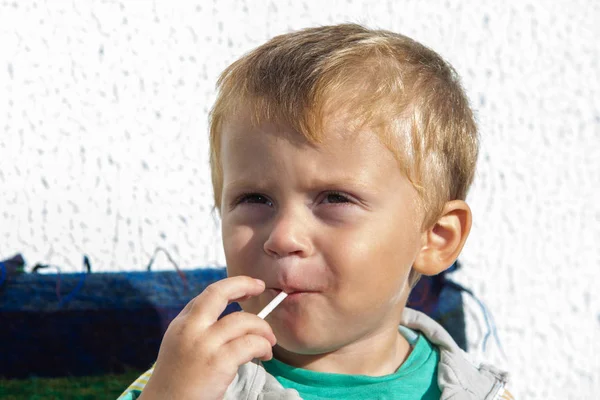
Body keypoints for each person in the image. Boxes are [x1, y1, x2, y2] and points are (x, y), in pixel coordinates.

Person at [118, 23, 512, 400]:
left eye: (335, 199)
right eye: (255, 199)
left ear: (435, 238)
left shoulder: (480, 392)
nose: (283, 237)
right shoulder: (189, 381)